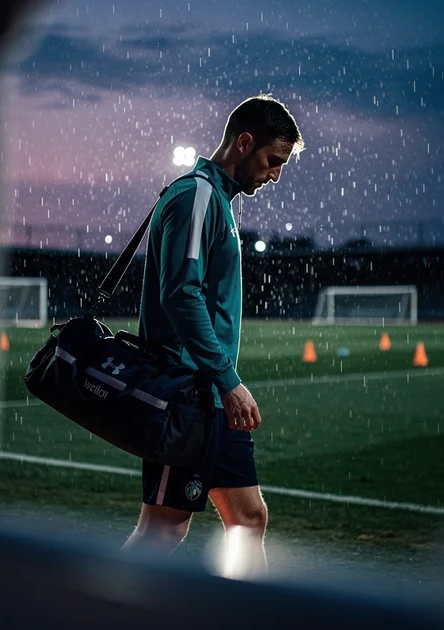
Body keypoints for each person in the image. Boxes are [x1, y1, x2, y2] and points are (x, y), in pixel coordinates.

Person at [122, 94, 304, 577]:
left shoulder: (214, 199)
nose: (275, 175)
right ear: (244, 143)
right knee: (163, 529)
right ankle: (91, 611)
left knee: (247, 518)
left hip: (208, 398)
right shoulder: (197, 195)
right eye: (272, 161)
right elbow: (182, 295)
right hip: (186, 396)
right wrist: (227, 378)